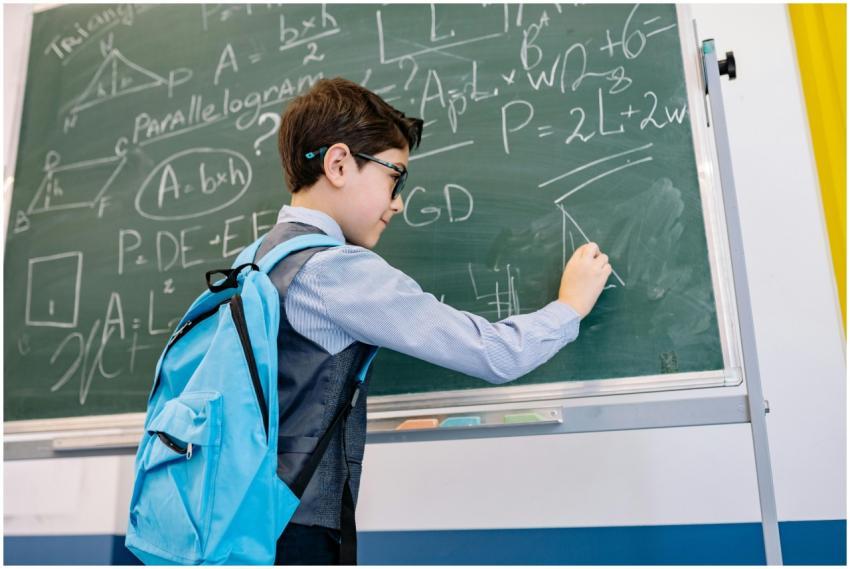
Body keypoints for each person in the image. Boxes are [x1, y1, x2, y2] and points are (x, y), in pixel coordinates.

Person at [260, 77, 612, 565]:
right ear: (339, 164)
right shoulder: (335, 272)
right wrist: (570, 306)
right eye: (394, 176)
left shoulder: (255, 262)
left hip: (244, 518)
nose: (398, 201)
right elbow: (493, 353)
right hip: (294, 533)